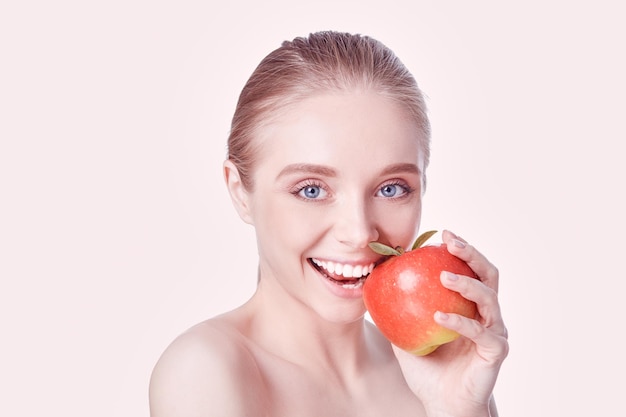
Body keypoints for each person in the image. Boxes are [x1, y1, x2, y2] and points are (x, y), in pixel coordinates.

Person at [149, 31, 508, 417]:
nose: (358, 233)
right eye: (311, 190)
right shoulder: (206, 371)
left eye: (390, 188)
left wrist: (458, 408)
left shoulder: (432, 372)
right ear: (240, 191)